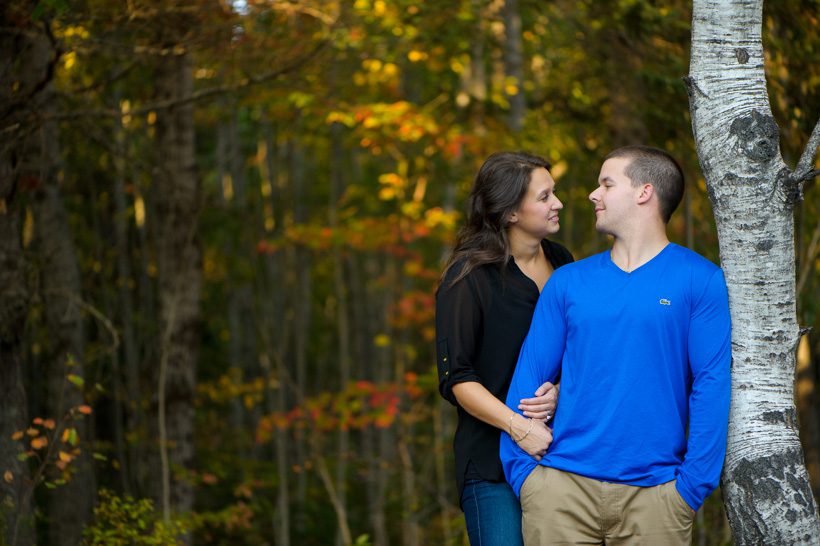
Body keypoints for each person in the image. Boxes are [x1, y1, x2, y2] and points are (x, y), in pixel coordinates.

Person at [500, 145, 731, 545]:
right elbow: (528, 380)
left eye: (606, 183)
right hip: (560, 493)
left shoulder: (699, 280)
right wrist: (526, 478)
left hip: (657, 498)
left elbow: (711, 387)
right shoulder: (568, 282)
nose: (593, 194)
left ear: (644, 192)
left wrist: (691, 488)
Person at [436, 151, 574, 545]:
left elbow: (580, 352)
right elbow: (457, 379)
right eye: (545, 196)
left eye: (554, 193)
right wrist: (519, 427)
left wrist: (561, 392)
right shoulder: (468, 276)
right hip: (492, 463)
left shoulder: (563, 263)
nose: (557, 203)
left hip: (562, 452)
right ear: (511, 212)